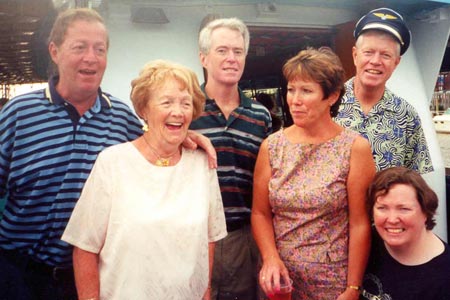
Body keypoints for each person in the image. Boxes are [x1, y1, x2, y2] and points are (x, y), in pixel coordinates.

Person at [0, 8, 214, 300]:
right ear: (54, 51)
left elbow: (154, 145)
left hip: (93, 274)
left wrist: (188, 135)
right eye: (80, 47)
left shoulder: (120, 119)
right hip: (20, 274)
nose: (91, 57)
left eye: (99, 49)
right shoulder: (19, 114)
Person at [61, 60, 227, 299]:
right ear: (144, 109)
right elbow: (85, 247)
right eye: (167, 102)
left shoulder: (203, 165)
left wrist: (205, 292)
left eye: (185, 103)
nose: (178, 112)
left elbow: (208, 239)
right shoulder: (113, 163)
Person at [252, 47, 376, 300]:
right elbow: (260, 213)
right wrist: (270, 258)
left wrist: (353, 287)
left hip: (332, 280)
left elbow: (360, 222)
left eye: (306, 91)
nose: (294, 100)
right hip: (280, 280)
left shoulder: (354, 147)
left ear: (331, 96)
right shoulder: (272, 147)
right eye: (291, 89)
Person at [190, 17, 272, 299]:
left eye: (238, 52)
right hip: (196, 238)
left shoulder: (260, 115)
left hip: (245, 237)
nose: (231, 59)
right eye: (222, 50)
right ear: (203, 57)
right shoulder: (186, 110)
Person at [334, 7, 434, 174]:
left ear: (396, 62)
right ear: (355, 55)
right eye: (368, 52)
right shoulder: (327, 104)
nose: (375, 61)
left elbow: (414, 180)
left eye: (386, 55)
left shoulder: (407, 116)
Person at [362, 166, 450, 300]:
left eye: (404, 209)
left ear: (426, 211)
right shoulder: (365, 243)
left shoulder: (444, 276)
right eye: (382, 208)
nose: (392, 219)